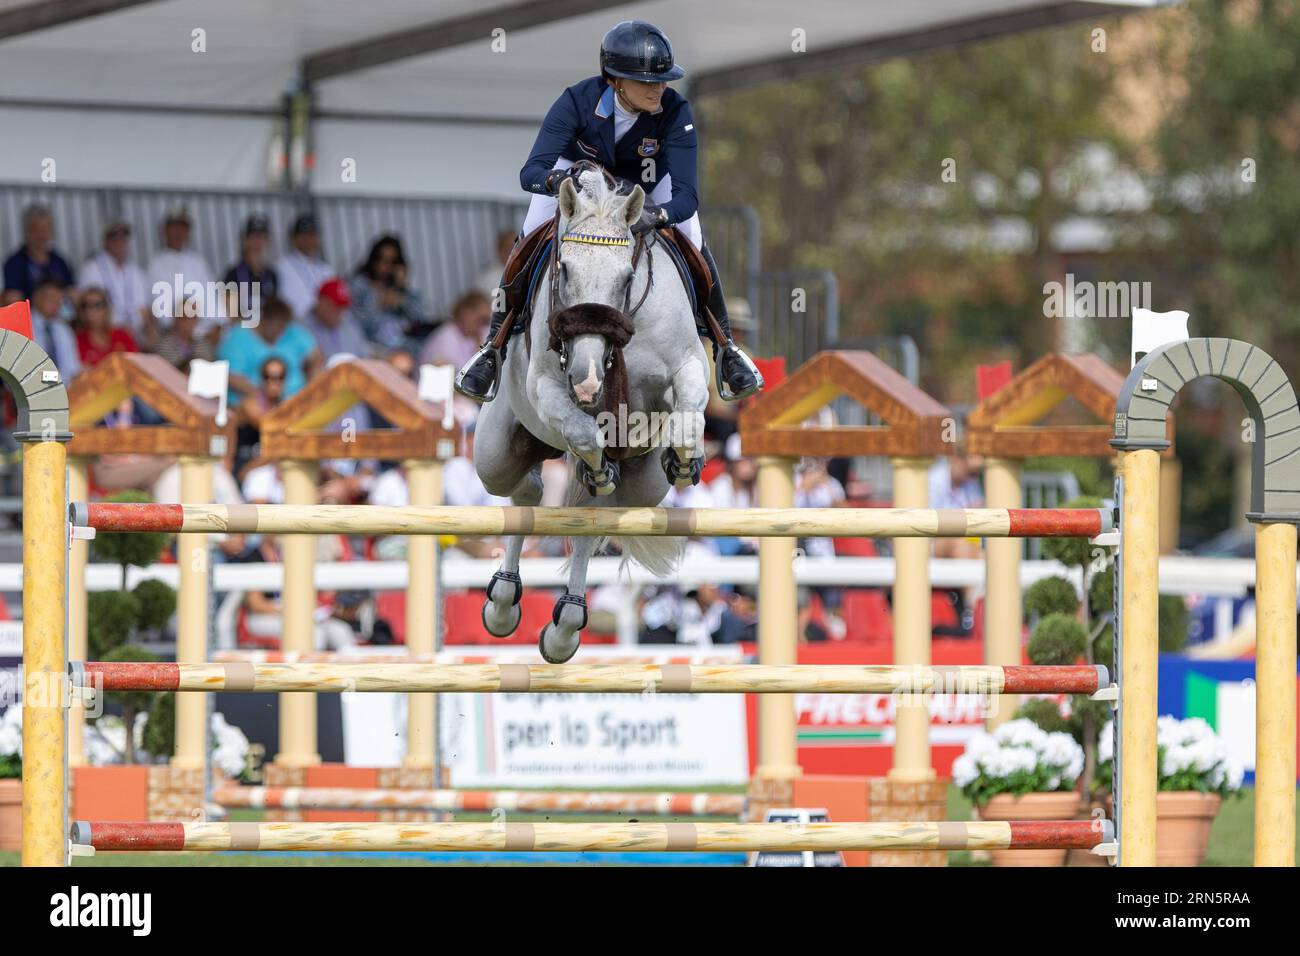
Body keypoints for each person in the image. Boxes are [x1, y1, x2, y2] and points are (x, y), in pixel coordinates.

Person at [455, 20, 762, 404]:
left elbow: (687, 197)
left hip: (648, 187)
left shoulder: (676, 111)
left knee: (696, 244)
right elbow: (530, 172)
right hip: (581, 183)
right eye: (647, 81)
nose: (659, 89)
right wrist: (561, 181)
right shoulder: (577, 100)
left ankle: (725, 348)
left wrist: (659, 217)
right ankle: (493, 347)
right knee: (528, 237)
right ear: (616, 80)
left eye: (663, 80)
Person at [219, 295, 321, 406]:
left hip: (298, 402)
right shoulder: (238, 336)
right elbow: (231, 377)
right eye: (277, 326)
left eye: (284, 327)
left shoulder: (292, 330)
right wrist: (269, 399)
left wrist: (312, 389)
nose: (281, 332)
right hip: (254, 407)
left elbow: (316, 357)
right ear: (264, 319)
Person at [348, 234, 428, 352]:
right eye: (381, 259)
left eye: (392, 262)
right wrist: (379, 304)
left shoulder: (398, 289)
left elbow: (419, 318)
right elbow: (354, 323)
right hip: (371, 348)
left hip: (403, 348)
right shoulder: (359, 285)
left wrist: (402, 288)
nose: (385, 266)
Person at [145, 206, 219, 333]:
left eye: (183, 228)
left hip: (205, 334)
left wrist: (216, 326)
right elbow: (161, 312)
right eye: (174, 227)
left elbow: (213, 299)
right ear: (164, 231)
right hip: (174, 335)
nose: (178, 232)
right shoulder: (156, 264)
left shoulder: (198, 262)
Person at [78, 221, 152, 341]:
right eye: (114, 238)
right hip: (106, 337)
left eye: (123, 238)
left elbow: (144, 310)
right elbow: (87, 309)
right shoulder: (92, 269)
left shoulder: (136, 271)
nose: (119, 243)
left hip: (136, 336)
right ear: (105, 241)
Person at [3, 203, 75, 298]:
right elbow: (12, 297)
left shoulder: (59, 261)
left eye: (46, 229)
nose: (42, 235)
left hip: (61, 311)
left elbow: (72, 291)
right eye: (36, 229)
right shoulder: (15, 264)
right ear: (26, 231)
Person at [276, 214, 334, 321]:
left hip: (326, 324)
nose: (308, 239)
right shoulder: (283, 266)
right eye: (304, 235)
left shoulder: (326, 269)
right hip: (297, 325)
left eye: (312, 234)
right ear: (294, 237)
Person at [223, 213, 279, 316]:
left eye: (262, 237)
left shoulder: (272, 274)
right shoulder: (233, 273)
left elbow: (275, 310)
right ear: (246, 239)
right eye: (254, 236)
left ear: (267, 240)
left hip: (268, 328)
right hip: (243, 328)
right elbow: (230, 312)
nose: (258, 241)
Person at [419, 289, 490, 369]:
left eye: (484, 320)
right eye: (479, 319)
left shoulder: (482, 331)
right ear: (464, 312)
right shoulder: (446, 336)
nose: (481, 325)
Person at [29, 279, 81, 382]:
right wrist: (59, 379)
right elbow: (26, 373)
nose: (56, 304)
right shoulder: (24, 325)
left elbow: (73, 370)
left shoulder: (63, 329)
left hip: (64, 393)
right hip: (29, 393)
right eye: (51, 299)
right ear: (36, 298)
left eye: (59, 300)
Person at [305, 277, 370, 361]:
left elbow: (365, 356)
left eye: (343, 307)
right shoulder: (302, 328)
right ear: (321, 301)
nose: (340, 313)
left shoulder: (348, 325)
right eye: (336, 306)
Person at [74, 286, 137, 367]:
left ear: (107, 309)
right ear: (81, 311)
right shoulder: (77, 341)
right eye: (87, 306)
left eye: (98, 305)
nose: (92, 311)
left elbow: (136, 365)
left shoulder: (122, 335)